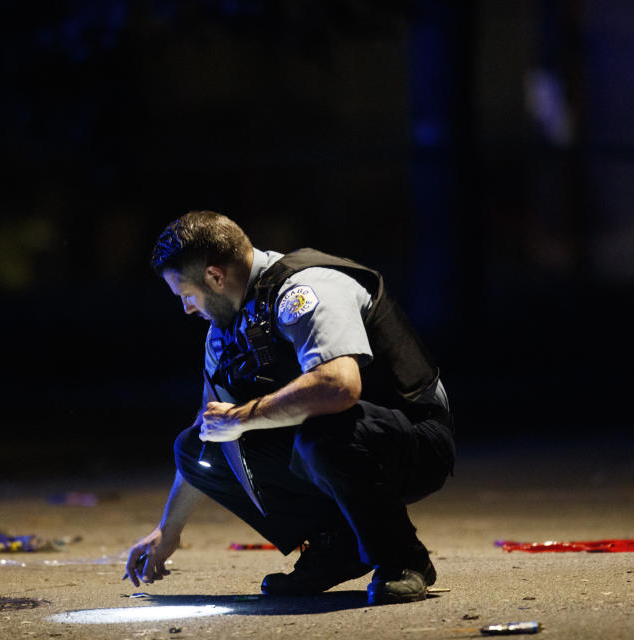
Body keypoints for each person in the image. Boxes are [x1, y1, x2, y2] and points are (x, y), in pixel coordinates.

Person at [124, 210, 455, 605]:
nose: (187, 310)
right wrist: (169, 529)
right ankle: (339, 546)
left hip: (413, 437)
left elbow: (339, 386)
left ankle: (402, 559)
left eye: (187, 295)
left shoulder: (306, 288)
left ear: (215, 277)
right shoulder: (222, 332)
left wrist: (244, 416)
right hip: (335, 441)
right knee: (196, 445)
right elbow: (213, 427)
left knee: (322, 435)